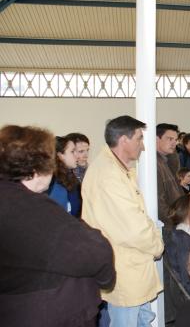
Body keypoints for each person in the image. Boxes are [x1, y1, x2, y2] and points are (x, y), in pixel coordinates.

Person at [0, 125, 115, 327]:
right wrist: (106, 279)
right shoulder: (33, 209)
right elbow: (96, 253)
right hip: (47, 312)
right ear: (40, 167)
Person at [82, 116, 164, 326]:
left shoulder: (116, 169)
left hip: (131, 265)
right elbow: (133, 229)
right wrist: (157, 245)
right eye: (139, 138)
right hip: (125, 269)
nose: (143, 146)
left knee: (141, 320)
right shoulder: (108, 176)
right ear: (124, 140)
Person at [157, 123, 184, 228]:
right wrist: (176, 221)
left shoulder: (165, 162)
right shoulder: (154, 165)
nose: (174, 143)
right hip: (169, 225)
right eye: (169, 139)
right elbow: (159, 203)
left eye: (176, 140)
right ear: (156, 138)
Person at [48, 136, 82, 217]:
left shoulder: (71, 177)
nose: (77, 156)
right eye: (72, 151)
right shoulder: (52, 182)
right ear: (60, 156)